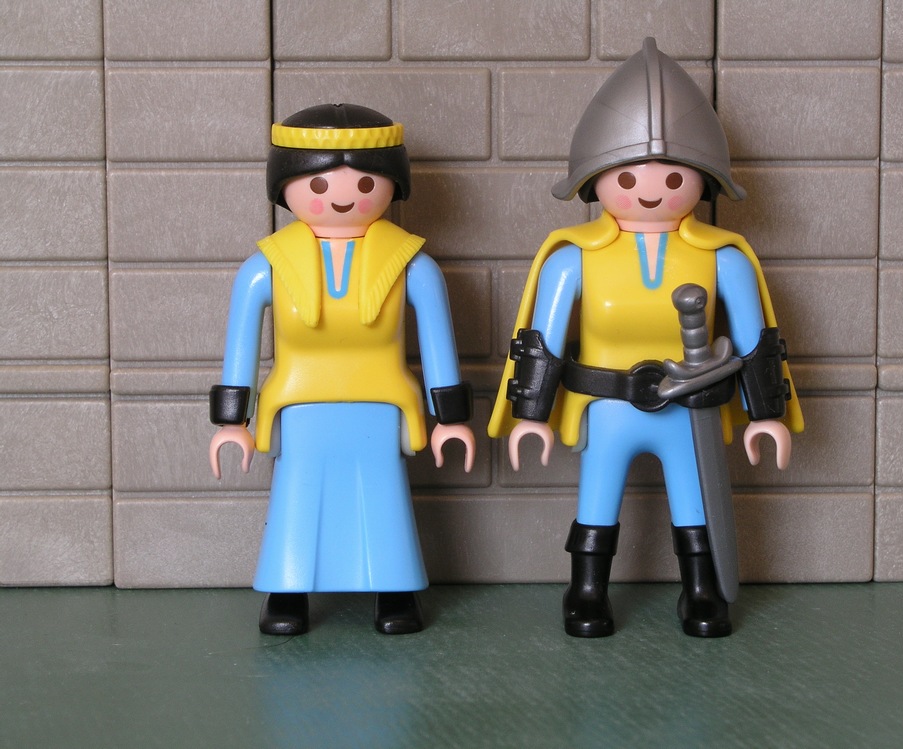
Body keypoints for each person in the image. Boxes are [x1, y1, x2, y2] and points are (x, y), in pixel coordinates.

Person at [489, 39, 803, 638]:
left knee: (694, 500)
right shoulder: (573, 259)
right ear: (595, 179)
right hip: (608, 405)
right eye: (628, 176)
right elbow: (540, 343)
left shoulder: (723, 258)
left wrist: (766, 414)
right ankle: (586, 590)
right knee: (597, 499)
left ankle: (701, 590)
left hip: (691, 409)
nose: (650, 190)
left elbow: (756, 342)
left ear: (705, 179)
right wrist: (531, 414)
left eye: (674, 175)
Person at [209, 103, 474, 636]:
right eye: (318, 184)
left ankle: (395, 591)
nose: (342, 196)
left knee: (384, 497)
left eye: (365, 182)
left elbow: (438, 347)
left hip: (381, 402)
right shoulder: (265, 268)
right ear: (284, 185)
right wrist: (231, 421)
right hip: (299, 405)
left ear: (393, 185)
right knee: (297, 496)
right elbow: (240, 348)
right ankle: (288, 592)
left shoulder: (412, 266)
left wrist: (450, 417)